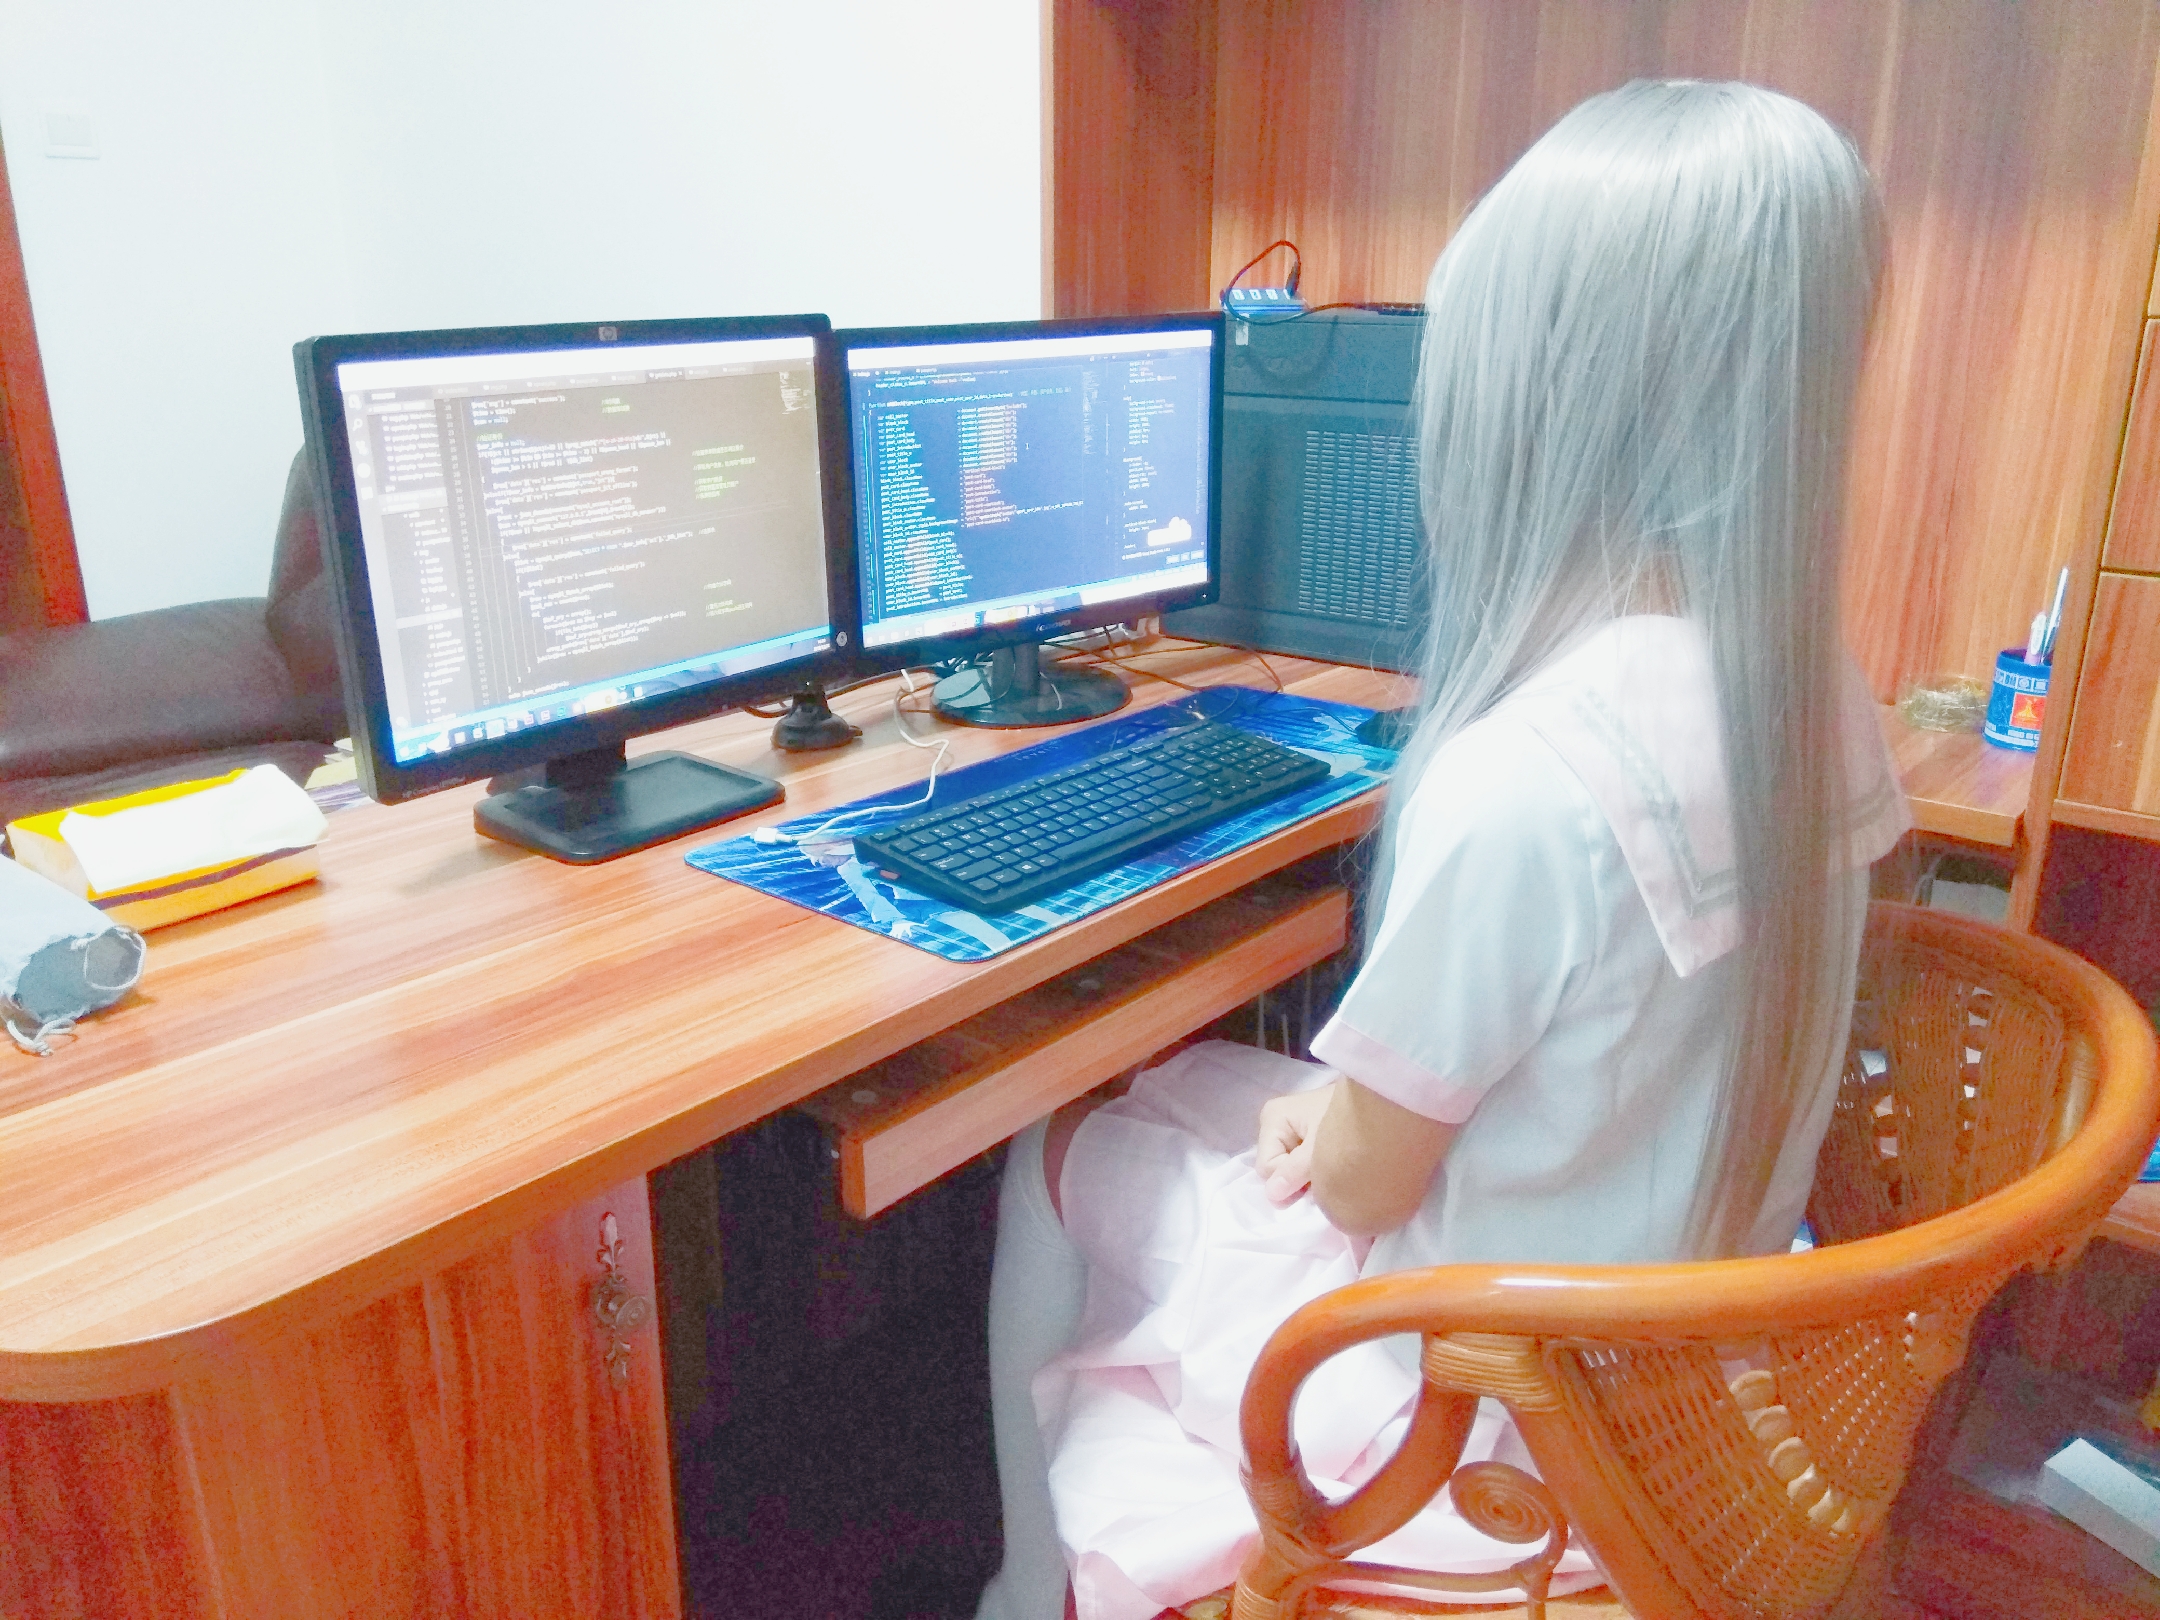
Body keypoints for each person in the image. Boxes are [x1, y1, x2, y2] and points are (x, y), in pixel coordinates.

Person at [975, 79, 1911, 1620]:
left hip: (1473, 1432)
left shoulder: (1530, 781)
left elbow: (1360, 1189)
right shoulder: (1822, 696)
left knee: (1055, 1142)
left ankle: (1028, 1587)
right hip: (1681, 1359)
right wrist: (1347, 1108)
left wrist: (1336, 1123)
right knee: (1207, 1091)